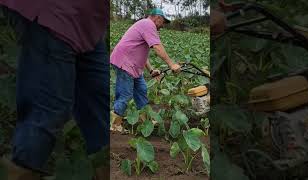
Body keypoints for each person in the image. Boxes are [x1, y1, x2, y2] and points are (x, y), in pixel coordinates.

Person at [0, 1, 109, 180]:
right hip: (57, 11)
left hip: (87, 21)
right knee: (48, 110)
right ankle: (21, 168)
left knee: (101, 104)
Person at [110, 8, 181, 132]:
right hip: (125, 63)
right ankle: (114, 125)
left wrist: (151, 70)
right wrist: (171, 64)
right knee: (125, 94)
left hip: (134, 66)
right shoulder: (148, 24)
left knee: (142, 90)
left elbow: (142, 53)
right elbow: (157, 48)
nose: (163, 26)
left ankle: (146, 120)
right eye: (163, 22)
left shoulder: (145, 25)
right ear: (157, 18)